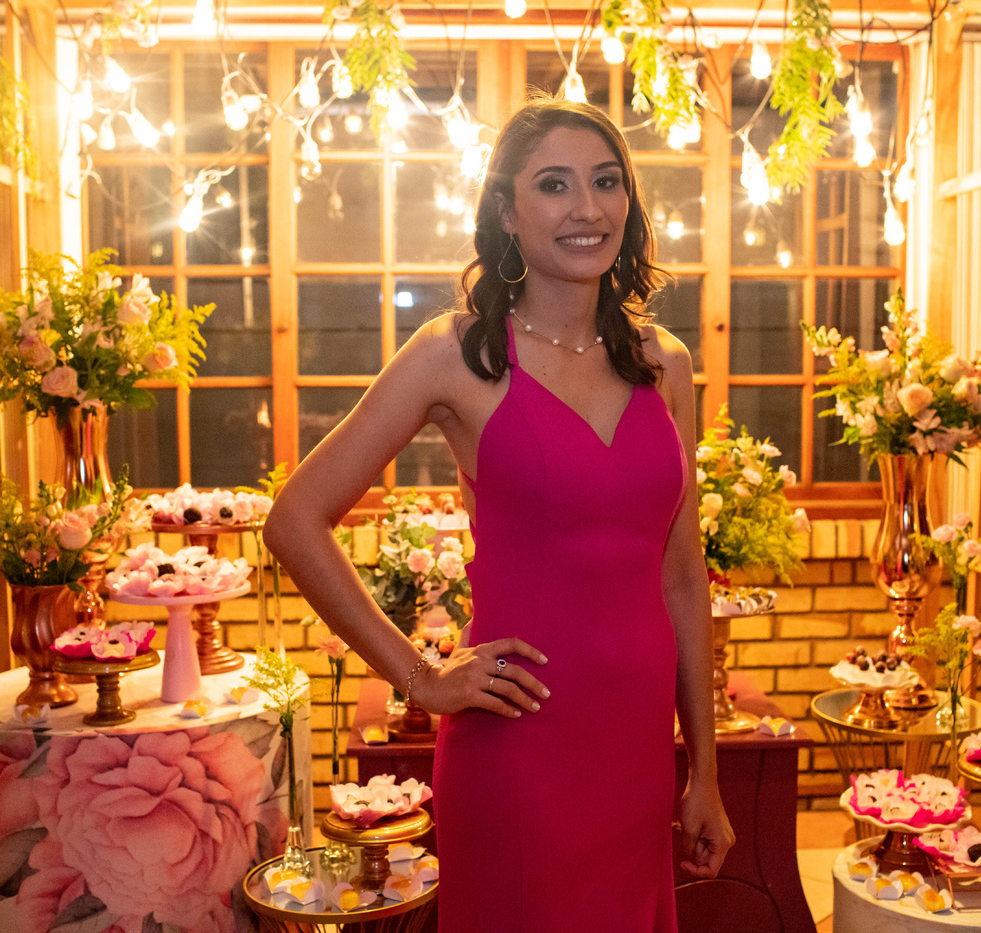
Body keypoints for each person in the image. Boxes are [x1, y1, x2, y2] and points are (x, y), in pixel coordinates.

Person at [262, 95, 734, 932]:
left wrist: (704, 771)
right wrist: (419, 675)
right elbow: (296, 518)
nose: (587, 208)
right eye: (554, 185)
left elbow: (683, 579)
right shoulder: (455, 354)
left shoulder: (665, 363)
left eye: (606, 182)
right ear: (507, 212)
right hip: (519, 745)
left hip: (635, 751)